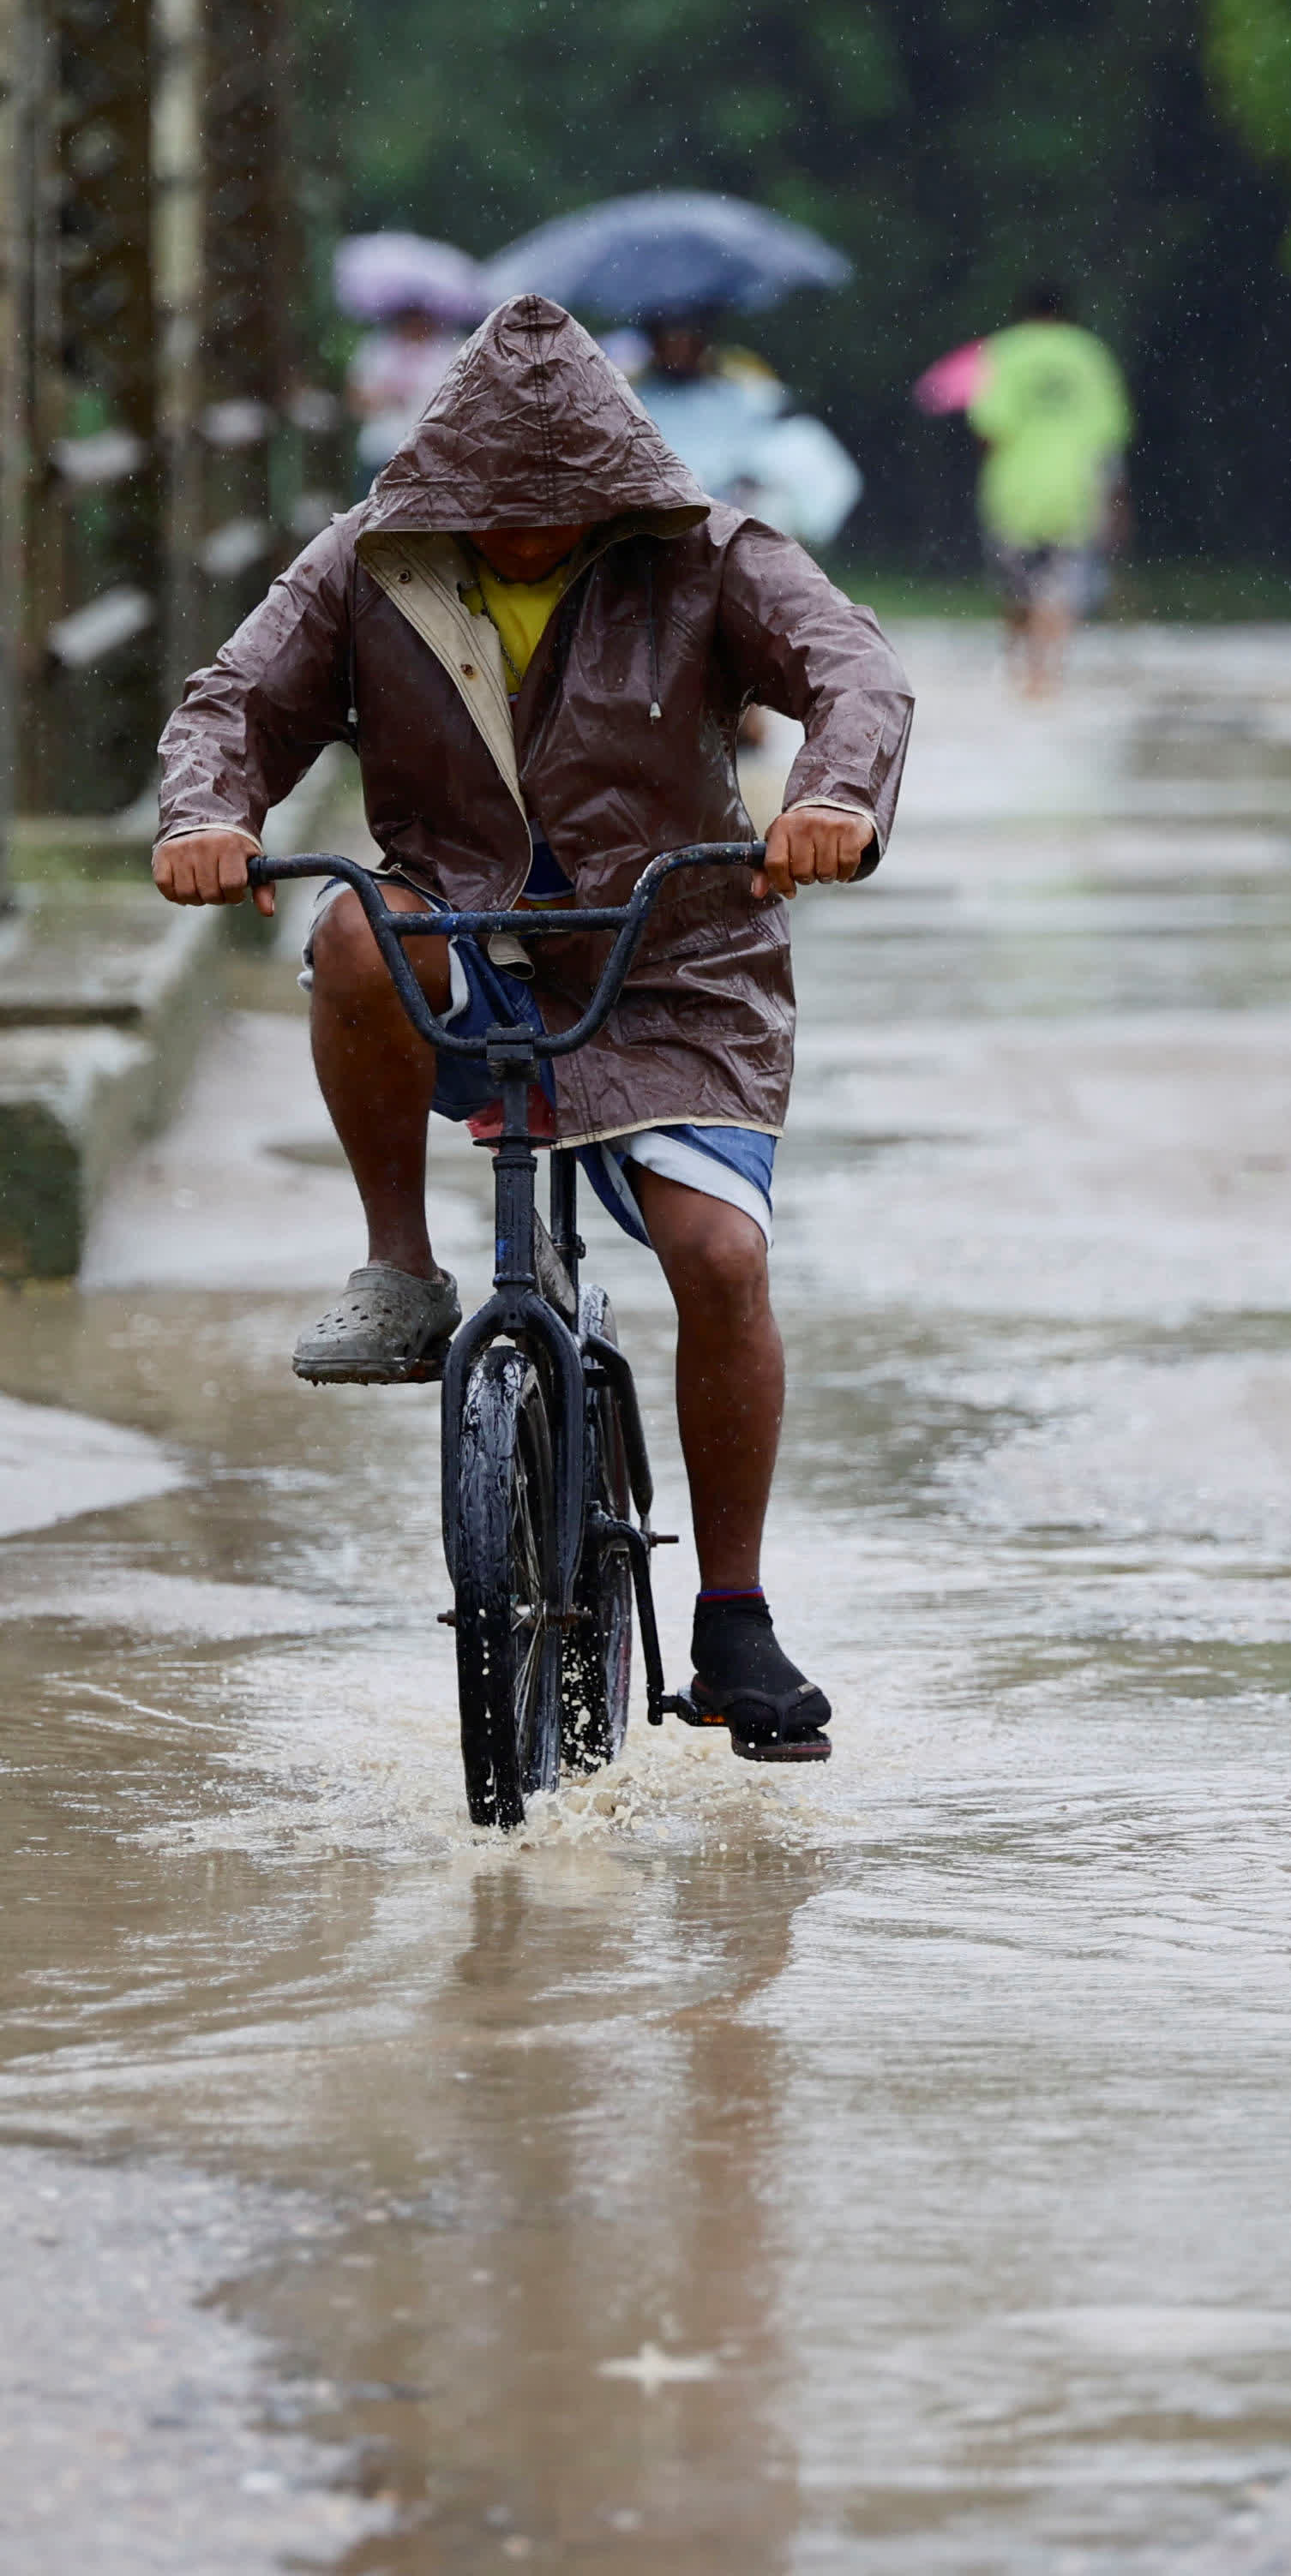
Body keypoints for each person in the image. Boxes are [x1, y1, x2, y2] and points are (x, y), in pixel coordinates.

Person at [153, 295, 913, 1758]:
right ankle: (398, 1263)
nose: (519, 535)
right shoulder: (365, 564)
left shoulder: (706, 555)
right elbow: (235, 701)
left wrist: (829, 800)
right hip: (462, 933)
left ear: (610, 490)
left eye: (552, 513)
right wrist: (208, 814)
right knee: (344, 929)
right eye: (491, 510)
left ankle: (736, 1615)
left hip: (673, 950)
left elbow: (856, 671)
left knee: (719, 1254)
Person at [968, 284, 1131, 696]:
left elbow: (989, 429)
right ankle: (1049, 677)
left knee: (1016, 587)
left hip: (1015, 488)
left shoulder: (1003, 352)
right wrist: (1117, 501)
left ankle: (1018, 670)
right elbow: (1109, 436)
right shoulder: (1091, 355)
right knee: (1060, 588)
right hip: (1076, 488)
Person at [633, 311, 862, 554]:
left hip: (736, 520)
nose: (677, 349)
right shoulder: (636, 400)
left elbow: (782, 445)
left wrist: (749, 482)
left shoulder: (736, 391)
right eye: (669, 338)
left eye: (685, 337)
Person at [345, 303, 472, 501]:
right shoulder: (377, 349)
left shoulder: (450, 349)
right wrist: (387, 395)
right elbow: (356, 403)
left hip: (431, 461)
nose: (415, 323)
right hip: (380, 452)